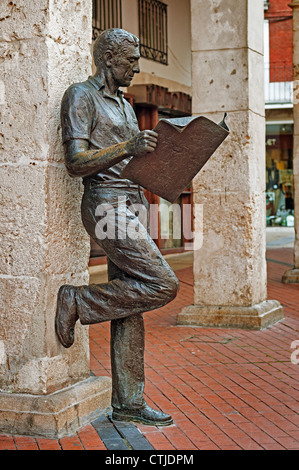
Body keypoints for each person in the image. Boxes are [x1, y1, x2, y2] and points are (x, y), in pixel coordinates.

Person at [55, 28, 179, 426]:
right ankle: (77, 300)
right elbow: (76, 162)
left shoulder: (126, 105)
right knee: (162, 284)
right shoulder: (81, 96)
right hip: (105, 204)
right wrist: (128, 147)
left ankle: (128, 401)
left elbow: (134, 161)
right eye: (130, 60)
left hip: (133, 202)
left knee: (133, 304)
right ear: (108, 58)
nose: (137, 66)